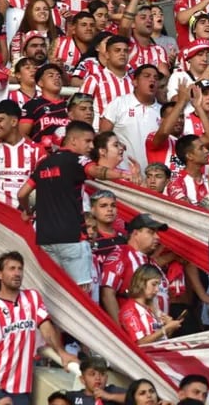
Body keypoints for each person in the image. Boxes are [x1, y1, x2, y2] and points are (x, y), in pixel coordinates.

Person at [16, 121, 132, 290]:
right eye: (88, 141)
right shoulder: (78, 160)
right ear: (73, 140)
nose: (91, 146)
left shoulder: (44, 163)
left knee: (55, 294)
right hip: (72, 239)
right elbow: (96, 171)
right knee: (81, 296)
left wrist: (27, 210)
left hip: (45, 239)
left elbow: (22, 194)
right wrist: (124, 175)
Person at [0, 251, 77, 405]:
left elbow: (46, 329)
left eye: (20, 269)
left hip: (19, 389)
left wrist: (62, 353)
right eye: (12, 268)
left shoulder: (33, 298)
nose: (17, 273)